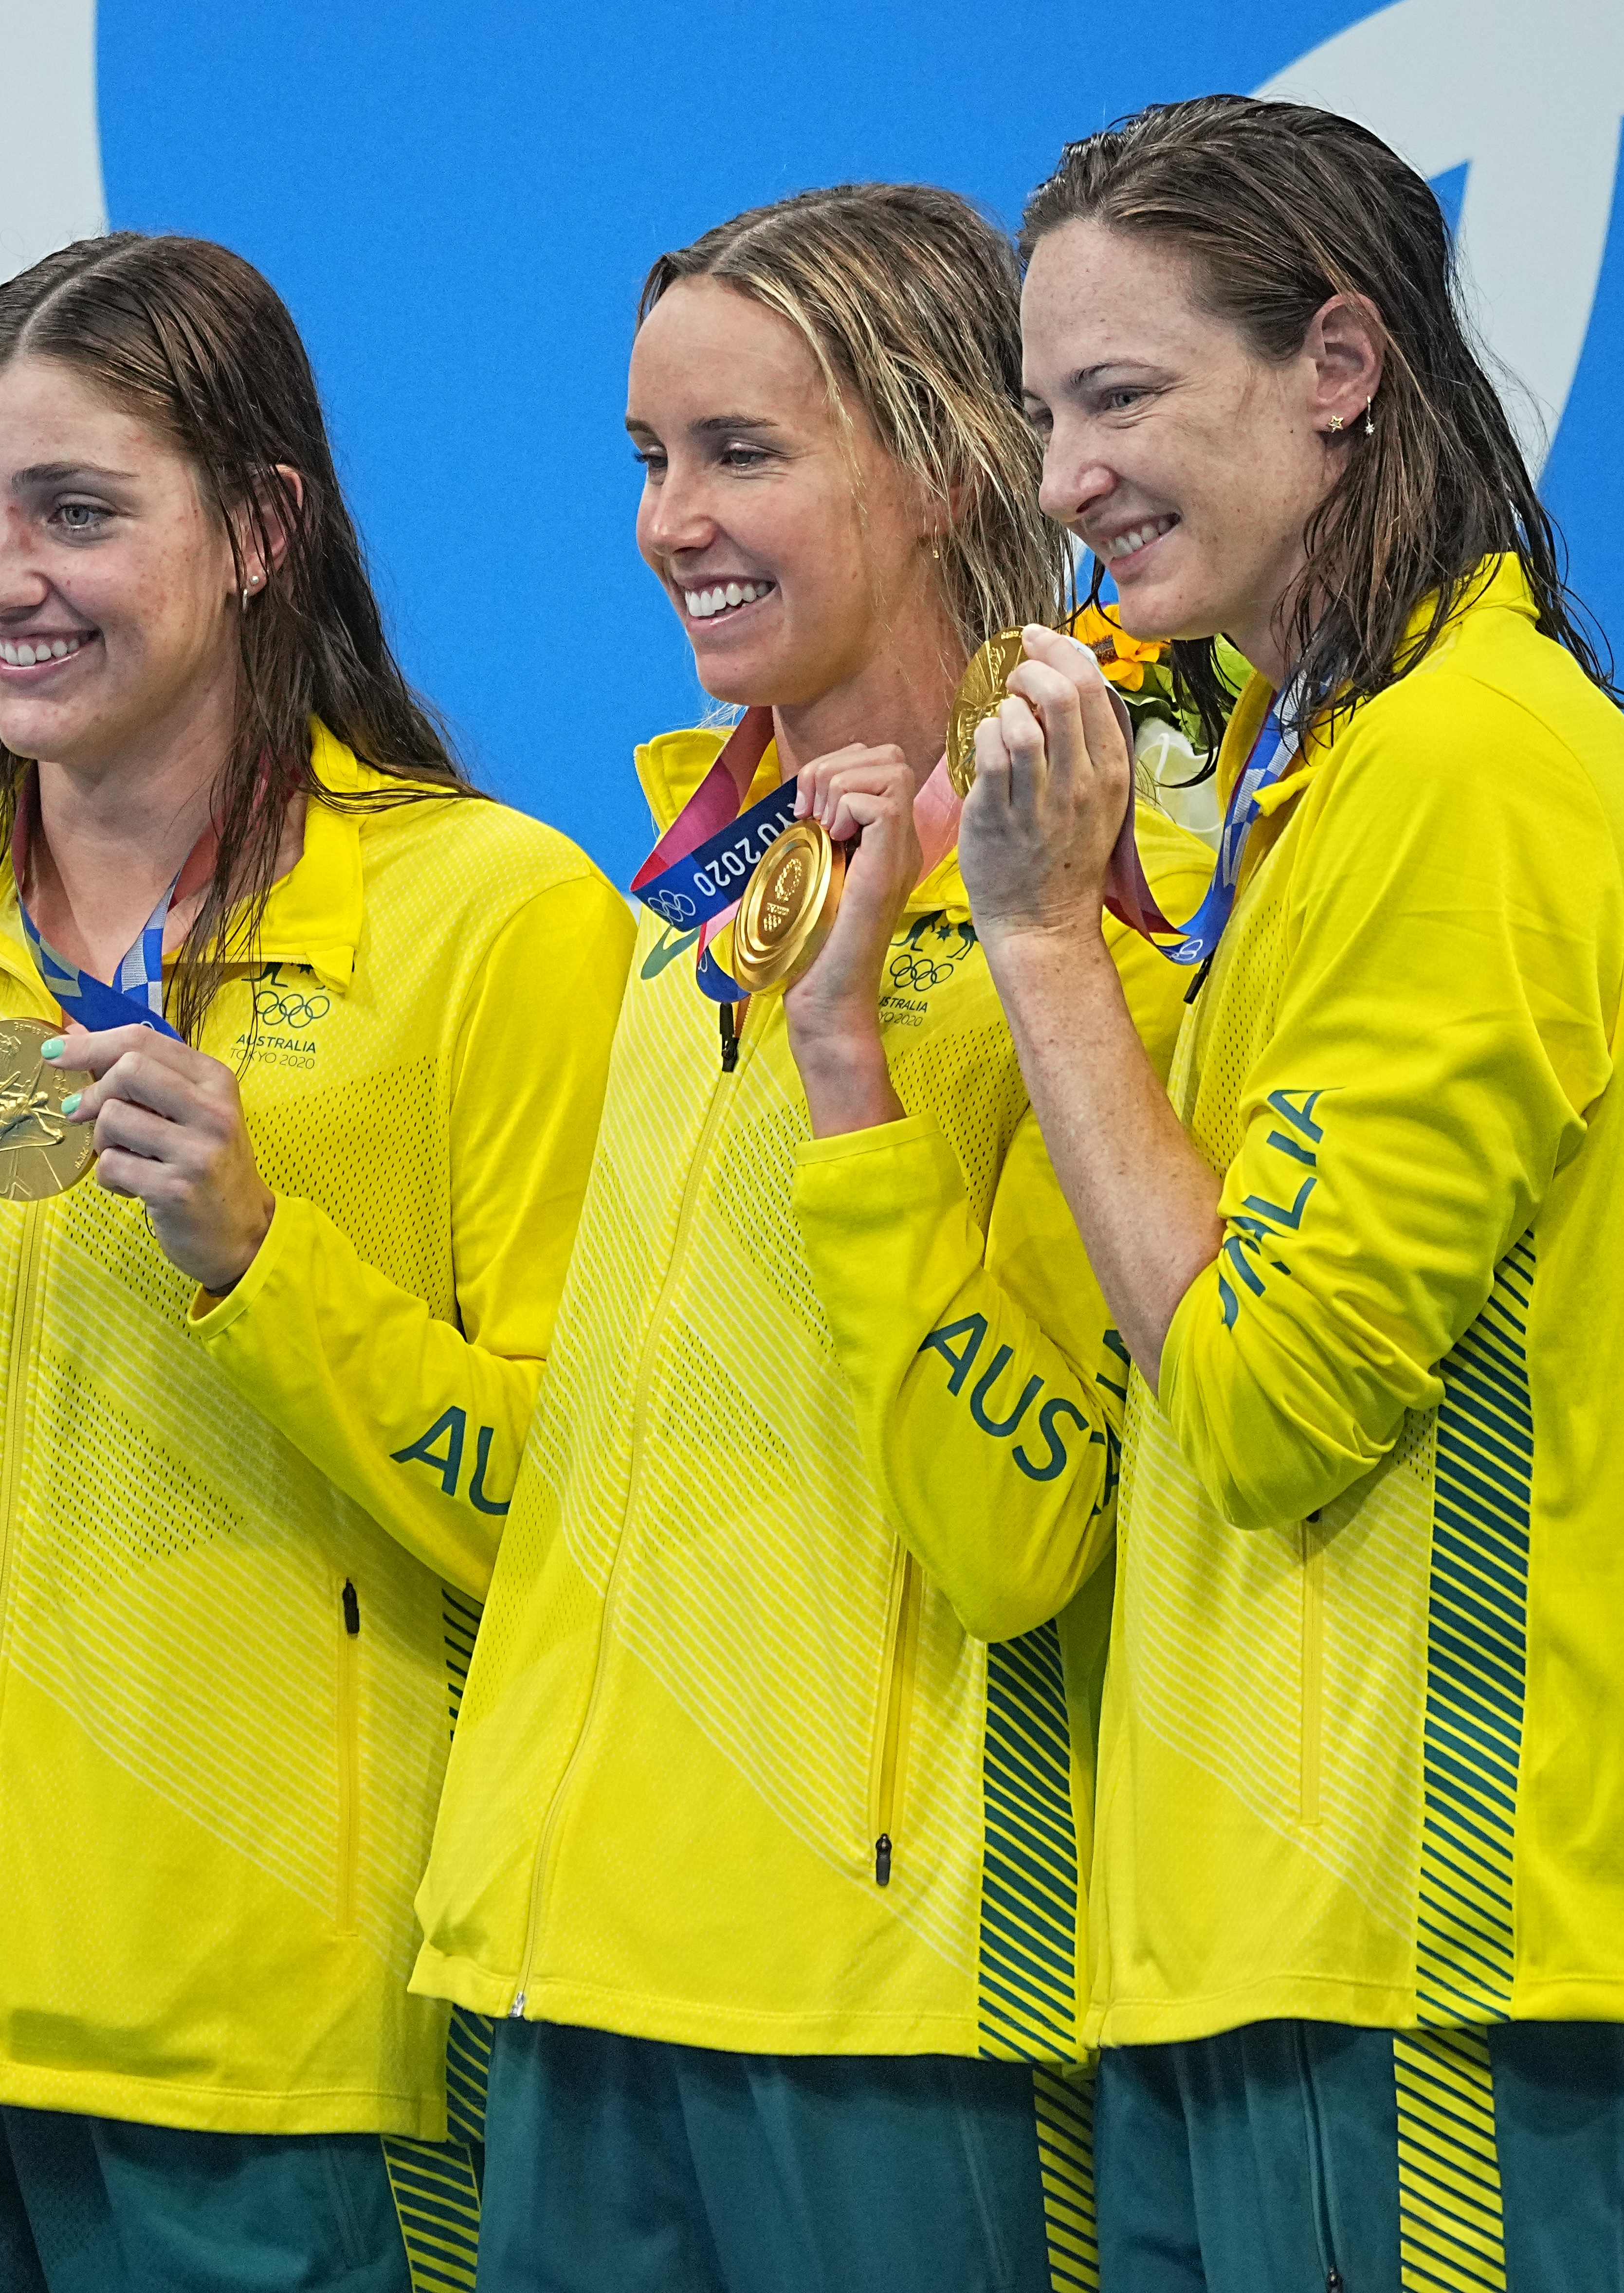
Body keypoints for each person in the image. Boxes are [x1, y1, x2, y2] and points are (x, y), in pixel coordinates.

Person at [957, 95, 1624, 2292]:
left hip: (1421, 1940)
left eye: (1121, 396)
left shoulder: (1463, 762)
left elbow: (1257, 1397)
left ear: (1336, 365)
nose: (1061, 481)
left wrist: (1047, 947)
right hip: (1258, 1936)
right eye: (1046, 411)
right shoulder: (1309, 759)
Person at [0, 232, 633, 2293]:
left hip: (284, 2063)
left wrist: (265, 1261)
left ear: (258, 527)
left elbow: (579, 1513)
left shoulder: (495, 918)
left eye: (75, 512)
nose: (0, 578)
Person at [408, 184, 1209, 2293]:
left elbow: (1022, 1529)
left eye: (739, 452)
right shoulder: (690, 905)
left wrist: (852, 1068)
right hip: (571, 1963)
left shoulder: (1102, 910)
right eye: (648, 460)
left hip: (892, 2005)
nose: (670, 519)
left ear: (951, 464)